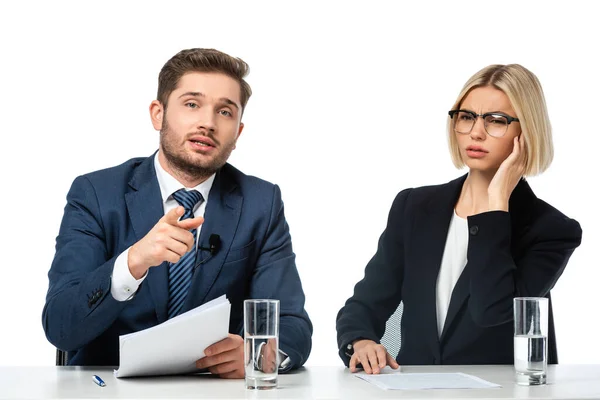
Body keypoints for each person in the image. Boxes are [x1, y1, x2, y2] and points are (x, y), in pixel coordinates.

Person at [42, 48, 312, 377]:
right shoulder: (96, 194)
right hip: (108, 386)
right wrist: (132, 263)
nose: (207, 123)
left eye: (225, 112)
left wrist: (259, 354)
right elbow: (60, 325)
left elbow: (291, 324)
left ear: (238, 132)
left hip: (212, 391)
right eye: (192, 104)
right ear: (158, 114)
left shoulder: (261, 202)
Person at [336, 64, 582, 374]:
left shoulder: (551, 230)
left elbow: (491, 309)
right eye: (466, 117)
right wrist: (360, 340)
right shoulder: (414, 206)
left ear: (526, 132)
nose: (476, 132)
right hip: (413, 391)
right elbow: (364, 304)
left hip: (500, 395)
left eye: (496, 121)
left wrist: (494, 209)